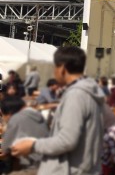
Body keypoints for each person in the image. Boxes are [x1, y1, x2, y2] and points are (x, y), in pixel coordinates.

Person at [11, 46, 105, 175]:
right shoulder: (89, 92)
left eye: (55, 67)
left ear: (62, 69)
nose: (54, 72)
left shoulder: (76, 95)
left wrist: (32, 146)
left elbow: (67, 140)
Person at [1, 96, 49, 175]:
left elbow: (5, 148)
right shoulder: (38, 114)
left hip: (35, 167)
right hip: (48, 162)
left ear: (8, 113)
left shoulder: (16, 118)